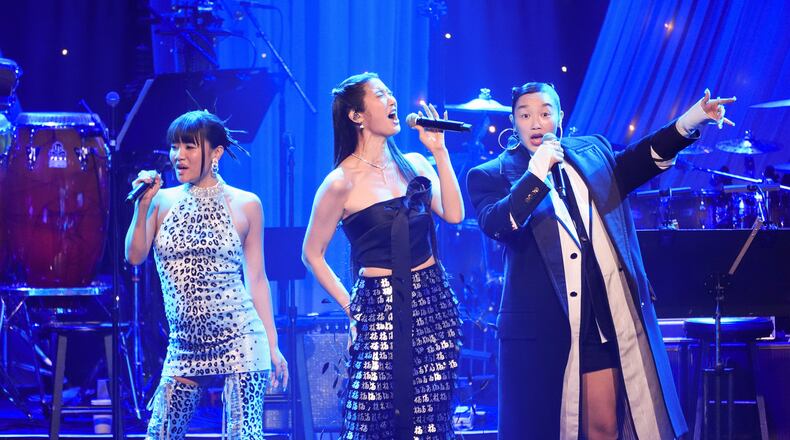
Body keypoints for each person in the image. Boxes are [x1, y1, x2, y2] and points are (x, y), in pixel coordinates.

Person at [466, 83, 735, 439]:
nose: (536, 122)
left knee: (603, 426)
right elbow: (500, 225)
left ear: (560, 118)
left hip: (599, 317)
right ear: (513, 122)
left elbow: (641, 159)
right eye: (525, 115)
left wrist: (693, 118)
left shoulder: (592, 152)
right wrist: (537, 172)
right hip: (544, 329)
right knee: (545, 429)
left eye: (545, 113)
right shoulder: (492, 174)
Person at [302, 72, 465, 439]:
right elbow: (312, 254)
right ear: (357, 115)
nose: (392, 100)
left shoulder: (416, 164)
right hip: (377, 307)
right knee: (370, 415)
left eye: (391, 92)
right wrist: (353, 309)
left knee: (428, 420)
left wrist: (439, 151)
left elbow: (455, 214)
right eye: (380, 95)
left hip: (433, 303)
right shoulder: (339, 182)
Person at [124, 110, 287, 439]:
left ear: (216, 153)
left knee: (244, 434)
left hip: (241, 339)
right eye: (174, 147)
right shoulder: (160, 201)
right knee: (162, 434)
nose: (178, 156)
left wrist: (272, 343)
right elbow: (134, 255)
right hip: (183, 346)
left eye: (189, 147)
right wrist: (141, 207)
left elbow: (257, 278)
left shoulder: (246, 204)